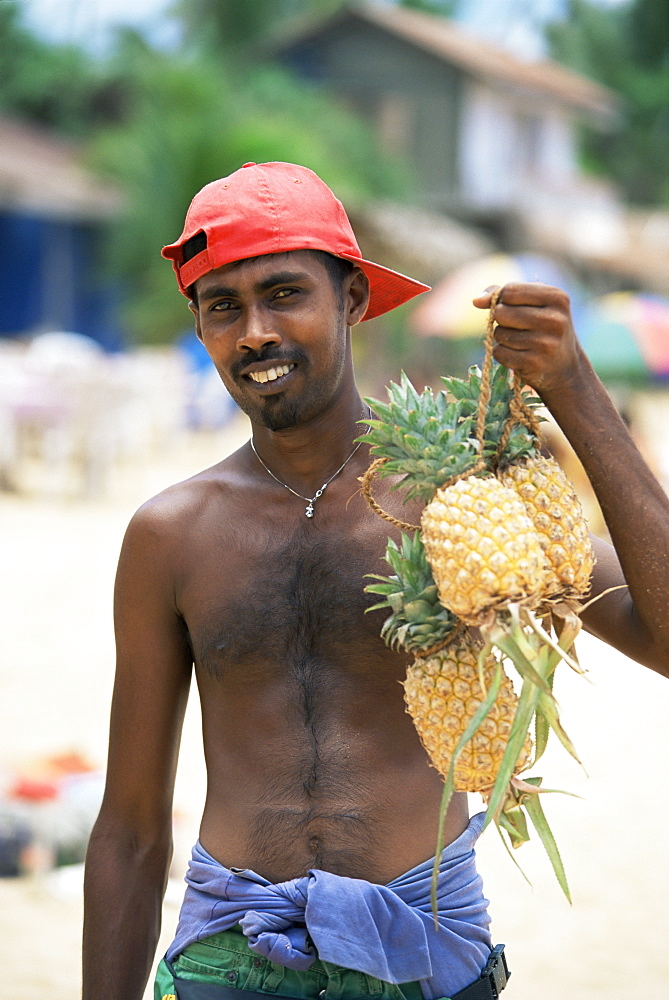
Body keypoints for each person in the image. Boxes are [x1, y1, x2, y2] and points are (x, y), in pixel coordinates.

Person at [82, 161, 669, 1000]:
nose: (254, 331)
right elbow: (131, 830)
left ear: (352, 298)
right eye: (223, 306)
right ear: (201, 325)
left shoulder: (462, 502)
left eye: (285, 293)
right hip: (229, 946)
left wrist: (576, 395)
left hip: (422, 938)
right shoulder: (172, 535)